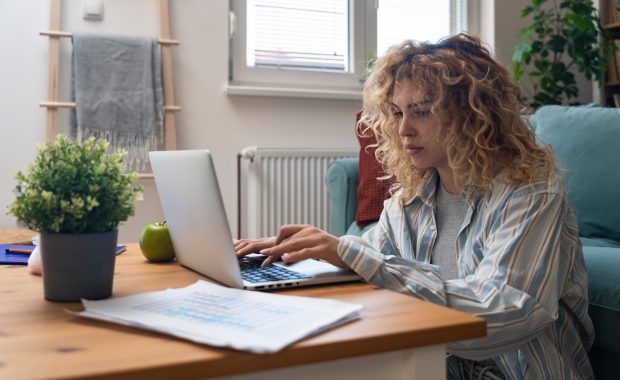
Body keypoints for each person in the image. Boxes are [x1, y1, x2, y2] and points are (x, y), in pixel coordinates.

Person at [234, 33, 594, 379]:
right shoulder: (412, 197)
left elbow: (504, 312)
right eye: (397, 113)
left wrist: (356, 257)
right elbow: (370, 254)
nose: (404, 129)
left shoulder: (529, 191)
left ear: (473, 114)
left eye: (421, 111)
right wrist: (295, 250)